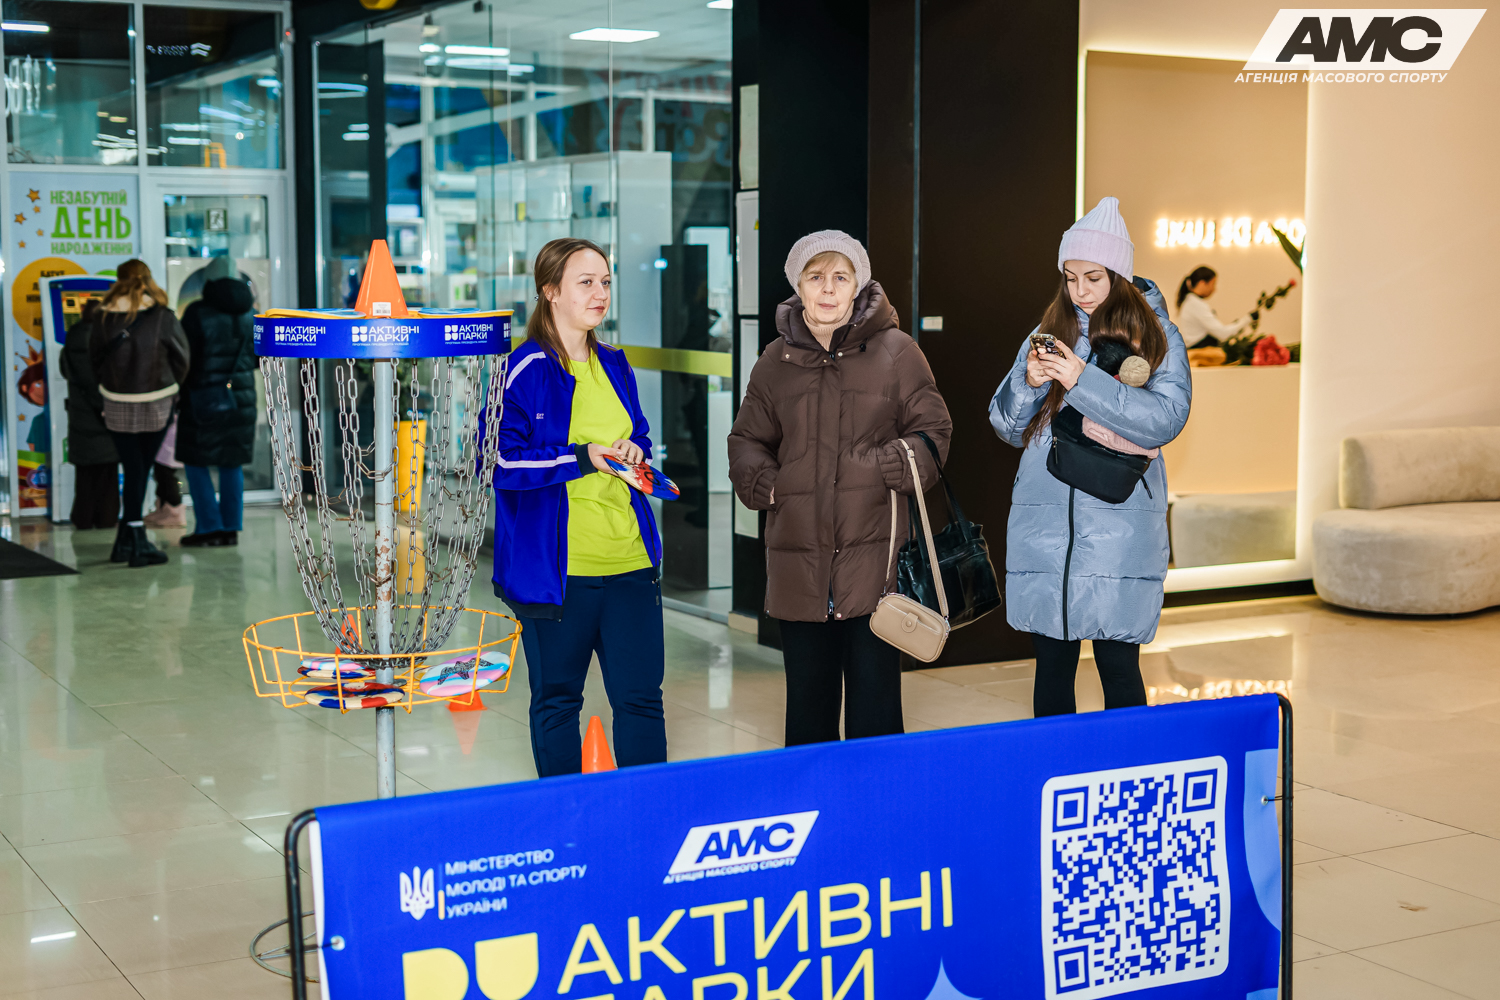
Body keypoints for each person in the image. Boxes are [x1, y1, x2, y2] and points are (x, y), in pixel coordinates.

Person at [728, 231, 952, 745]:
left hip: (876, 563)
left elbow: (934, 430)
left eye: (840, 277)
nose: (827, 289)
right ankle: (814, 796)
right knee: (808, 714)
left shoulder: (898, 352)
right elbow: (746, 440)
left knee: (876, 712)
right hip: (799, 560)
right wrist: (771, 486)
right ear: (798, 286)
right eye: (815, 277)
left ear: (858, 284)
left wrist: (895, 463)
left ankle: (876, 797)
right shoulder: (775, 360)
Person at [988, 197, 1191, 717]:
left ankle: (1127, 765)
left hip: (1118, 525)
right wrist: (1029, 383)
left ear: (1119, 276)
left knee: (1118, 666)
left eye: (1093, 278)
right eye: (1071, 277)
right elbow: (1007, 427)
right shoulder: (1049, 332)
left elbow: (1166, 419)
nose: (1080, 290)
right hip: (1045, 526)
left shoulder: (1158, 336)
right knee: (1051, 666)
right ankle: (1056, 766)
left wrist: (1082, 380)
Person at [491, 237, 667, 777]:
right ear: (550, 292)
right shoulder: (523, 368)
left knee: (642, 701)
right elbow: (499, 460)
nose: (600, 293)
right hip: (558, 573)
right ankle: (566, 816)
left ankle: (646, 812)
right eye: (585, 282)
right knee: (558, 703)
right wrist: (581, 457)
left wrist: (635, 449)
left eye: (605, 282)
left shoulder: (615, 362)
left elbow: (638, 433)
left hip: (631, 561)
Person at [90, 259, 189, 568]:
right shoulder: (163, 316)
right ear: (148, 279)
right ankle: (135, 539)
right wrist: (171, 386)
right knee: (140, 469)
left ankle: (124, 540)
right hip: (157, 401)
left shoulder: (102, 316)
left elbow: (94, 360)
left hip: (116, 401)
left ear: (119, 280)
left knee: (134, 467)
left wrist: (108, 385)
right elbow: (182, 359)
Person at [175, 257, 257, 547]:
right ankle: (230, 528)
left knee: (196, 461)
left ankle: (209, 527)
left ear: (208, 281)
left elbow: (184, 357)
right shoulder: (252, 314)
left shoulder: (197, 312)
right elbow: (257, 359)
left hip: (203, 398)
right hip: (242, 399)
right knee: (231, 463)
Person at [58, 301, 119, 530]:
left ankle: (83, 518)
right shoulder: (104, 341)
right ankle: (106, 518)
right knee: (107, 473)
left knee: (84, 474)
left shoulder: (71, 340)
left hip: (79, 416)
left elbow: (65, 371)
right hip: (105, 415)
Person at [1175, 265, 1247, 347]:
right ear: (1202, 283)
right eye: (1213, 284)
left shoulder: (1189, 302)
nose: (1214, 289)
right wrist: (1248, 319)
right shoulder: (1195, 304)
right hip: (1200, 353)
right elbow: (1223, 334)